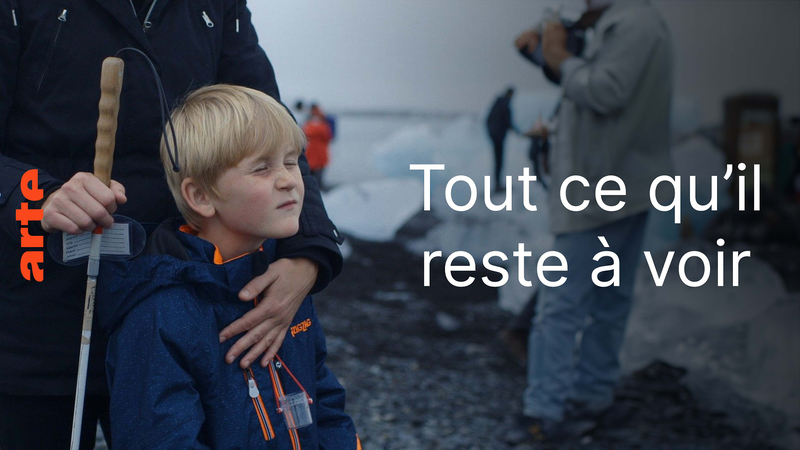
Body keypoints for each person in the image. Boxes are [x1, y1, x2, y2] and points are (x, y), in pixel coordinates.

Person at [0, 1, 342, 448]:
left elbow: (274, 134)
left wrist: (308, 252)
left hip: (194, 299)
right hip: (38, 321)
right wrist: (36, 196)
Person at [96, 85, 360, 450]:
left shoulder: (286, 284)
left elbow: (324, 400)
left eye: (290, 161)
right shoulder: (160, 314)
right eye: (262, 168)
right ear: (201, 196)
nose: (289, 180)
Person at [512, 0, 673, 441]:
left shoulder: (632, 24)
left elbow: (605, 90)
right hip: (625, 183)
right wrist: (548, 52)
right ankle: (592, 398)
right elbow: (592, 76)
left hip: (598, 187)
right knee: (610, 301)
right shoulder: (631, 22)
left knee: (560, 306)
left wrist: (557, 53)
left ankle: (543, 411)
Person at [485, 88, 516, 192]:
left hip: (496, 136)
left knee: (498, 161)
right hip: (498, 137)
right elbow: (508, 122)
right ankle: (498, 185)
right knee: (499, 161)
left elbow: (488, 120)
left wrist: (492, 134)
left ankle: (497, 184)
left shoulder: (498, 104)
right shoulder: (504, 104)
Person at [302, 104, 333, 190]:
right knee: (315, 180)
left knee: (315, 180)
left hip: (316, 156)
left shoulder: (309, 125)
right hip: (314, 156)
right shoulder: (322, 124)